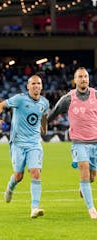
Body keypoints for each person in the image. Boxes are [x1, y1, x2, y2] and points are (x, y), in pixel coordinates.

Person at [0, 75, 49, 219]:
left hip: (34, 143)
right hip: (18, 143)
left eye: (38, 83)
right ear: (28, 86)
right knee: (19, 175)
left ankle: (34, 207)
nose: (36, 86)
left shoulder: (44, 102)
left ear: (41, 86)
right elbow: (1, 105)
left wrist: (44, 128)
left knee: (35, 172)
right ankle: (10, 187)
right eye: (33, 83)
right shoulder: (20, 99)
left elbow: (43, 116)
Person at [47, 67, 97, 219]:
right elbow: (53, 113)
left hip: (95, 142)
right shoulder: (68, 98)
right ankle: (91, 209)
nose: (83, 79)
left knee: (92, 176)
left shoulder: (95, 95)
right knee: (84, 170)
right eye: (80, 77)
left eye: (86, 76)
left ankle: (84, 185)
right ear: (75, 80)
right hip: (78, 142)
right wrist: (39, 127)